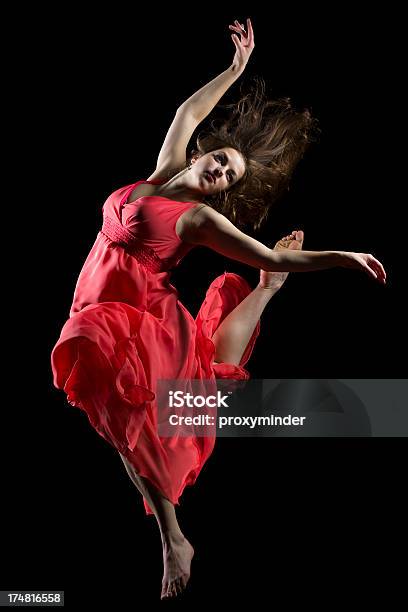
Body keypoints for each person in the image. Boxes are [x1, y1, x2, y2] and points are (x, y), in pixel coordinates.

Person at [50, 18, 386, 600]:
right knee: (119, 418)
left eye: (229, 176)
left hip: (133, 314)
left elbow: (260, 251)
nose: (222, 170)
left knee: (127, 410)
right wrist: (235, 69)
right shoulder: (159, 174)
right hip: (95, 296)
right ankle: (173, 536)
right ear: (205, 154)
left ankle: (173, 538)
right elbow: (187, 113)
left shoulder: (199, 220)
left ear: (220, 190)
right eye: (223, 159)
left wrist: (340, 257)